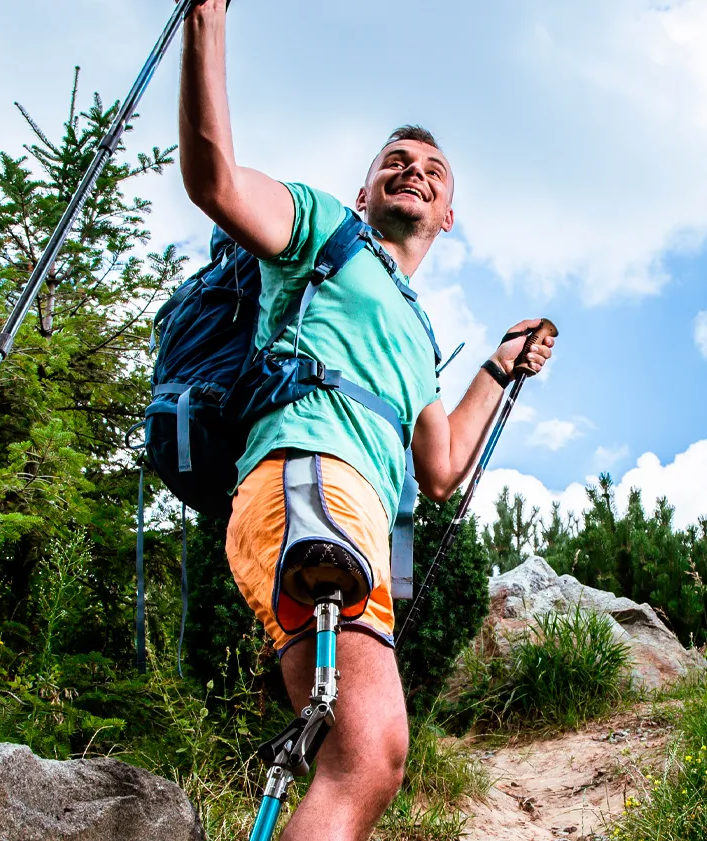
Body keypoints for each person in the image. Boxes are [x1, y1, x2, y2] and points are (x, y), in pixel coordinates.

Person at [177, 3, 556, 839]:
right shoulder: (323, 228)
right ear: (365, 188)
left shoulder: (419, 333)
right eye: (396, 160)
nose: (414, 170)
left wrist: (497, 364)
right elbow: (216, 181)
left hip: (368, 520)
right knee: (368, 750)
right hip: (309, 471)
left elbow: (442, 466)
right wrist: (207, 19)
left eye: (432, 169)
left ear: (448, 214)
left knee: (363, 753)